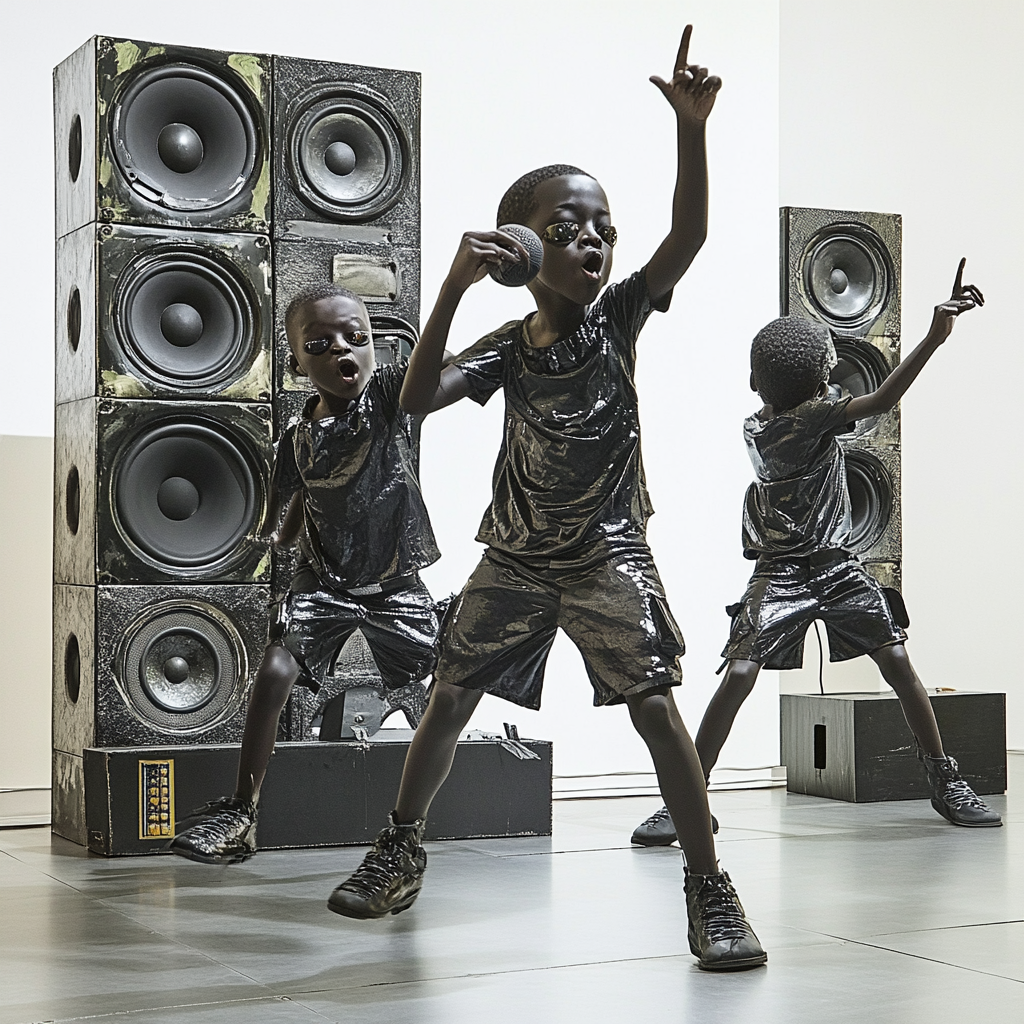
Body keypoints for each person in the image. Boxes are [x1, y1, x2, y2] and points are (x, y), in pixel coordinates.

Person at [328, 27, 767, 973]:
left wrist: (691, 130)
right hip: (519, 556)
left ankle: (710, 888)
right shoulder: (505, 341)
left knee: (656, 709)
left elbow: (688, 233)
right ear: (523, 252)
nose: (594, 243)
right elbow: (409, 401)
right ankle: (401, 850)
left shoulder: (619, 317)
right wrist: (449, 282)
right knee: (449, 693)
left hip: (608, 551)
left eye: (602, 227)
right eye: (567, 230)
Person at [631, 259, 1001, 847]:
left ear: (758, 382)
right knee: (892, 667)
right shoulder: (809, 419)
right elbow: (879, 401)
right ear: (824, 373)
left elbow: (825, 398)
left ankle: (686, 800)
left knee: (762, 674)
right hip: (795, 569)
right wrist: (933, 337)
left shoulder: (759, 422)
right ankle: (687, 800)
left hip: (817, 568)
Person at [170, 284, 442, 863]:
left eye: (357, 338)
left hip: (394, 580)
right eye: (321, 344)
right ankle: (242, 811)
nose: (343, 350)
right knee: (273, 672)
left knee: (447, 689)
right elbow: (286, 520)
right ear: (297, 362)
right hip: (325, 584)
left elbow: (430, 364)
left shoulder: (391, 399)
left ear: (376, 347)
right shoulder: (293, 440)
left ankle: (405, 834)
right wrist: (255, 543)